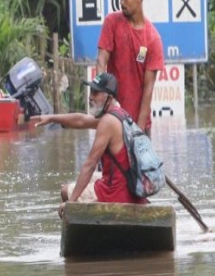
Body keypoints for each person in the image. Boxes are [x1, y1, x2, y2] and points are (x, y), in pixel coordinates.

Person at [33, 72, 149, 213]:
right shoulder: (120, 115)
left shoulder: (107, 122)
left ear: (109, 98)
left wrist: (71, 202)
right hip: (127, 184)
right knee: (78, 182)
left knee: (65, 191)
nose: (90, 97)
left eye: (95, 93)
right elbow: (81, 120)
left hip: (116, 193)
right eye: (91, 92)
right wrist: (51, 118)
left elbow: (90, 164)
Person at [97, 0, 165, 134]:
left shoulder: (152, 39)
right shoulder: (111, 23)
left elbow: (148, 89)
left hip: (139, 123)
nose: (121, 2)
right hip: (112, 121)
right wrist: (104, 97)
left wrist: (138, 131)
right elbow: (101, 61)